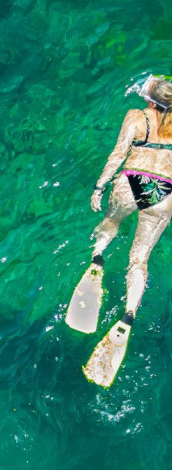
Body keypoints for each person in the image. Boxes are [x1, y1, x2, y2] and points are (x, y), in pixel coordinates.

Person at [79, 75, 172, 385]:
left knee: (110, 224)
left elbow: (118, 154)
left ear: (150, 100)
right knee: (139, 259)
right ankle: (129, 313)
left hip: (132, 180)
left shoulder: (136, 116)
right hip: (164, 190)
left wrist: (99, 186)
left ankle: (97, 259)